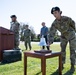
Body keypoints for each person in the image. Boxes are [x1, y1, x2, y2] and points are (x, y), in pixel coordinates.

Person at [49, 6, 76, 72]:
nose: (54, 15)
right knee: (62, 51)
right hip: (63, 36)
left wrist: (74, 31)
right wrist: (50, 40)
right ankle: (61, 64)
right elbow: (52, 32)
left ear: (59, 12)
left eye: (55, 12)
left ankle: (73, 65)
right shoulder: (54, 23)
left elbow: (73, 25)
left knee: (72, 50)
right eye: (53, 13)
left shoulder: (67, 19)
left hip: (71, 36)